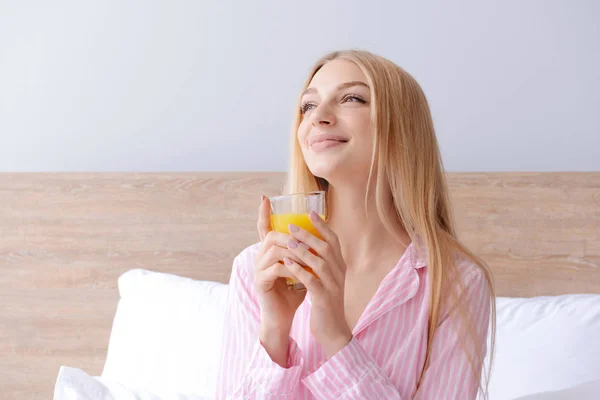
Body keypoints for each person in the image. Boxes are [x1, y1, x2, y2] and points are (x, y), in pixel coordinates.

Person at [216, 50, 495, 399]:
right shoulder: (255, 271)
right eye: (308, 106)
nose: (319, 117)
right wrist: (274, 329)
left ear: (402, 127)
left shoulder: (456, 284)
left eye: (351, 98)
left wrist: (335, 336)